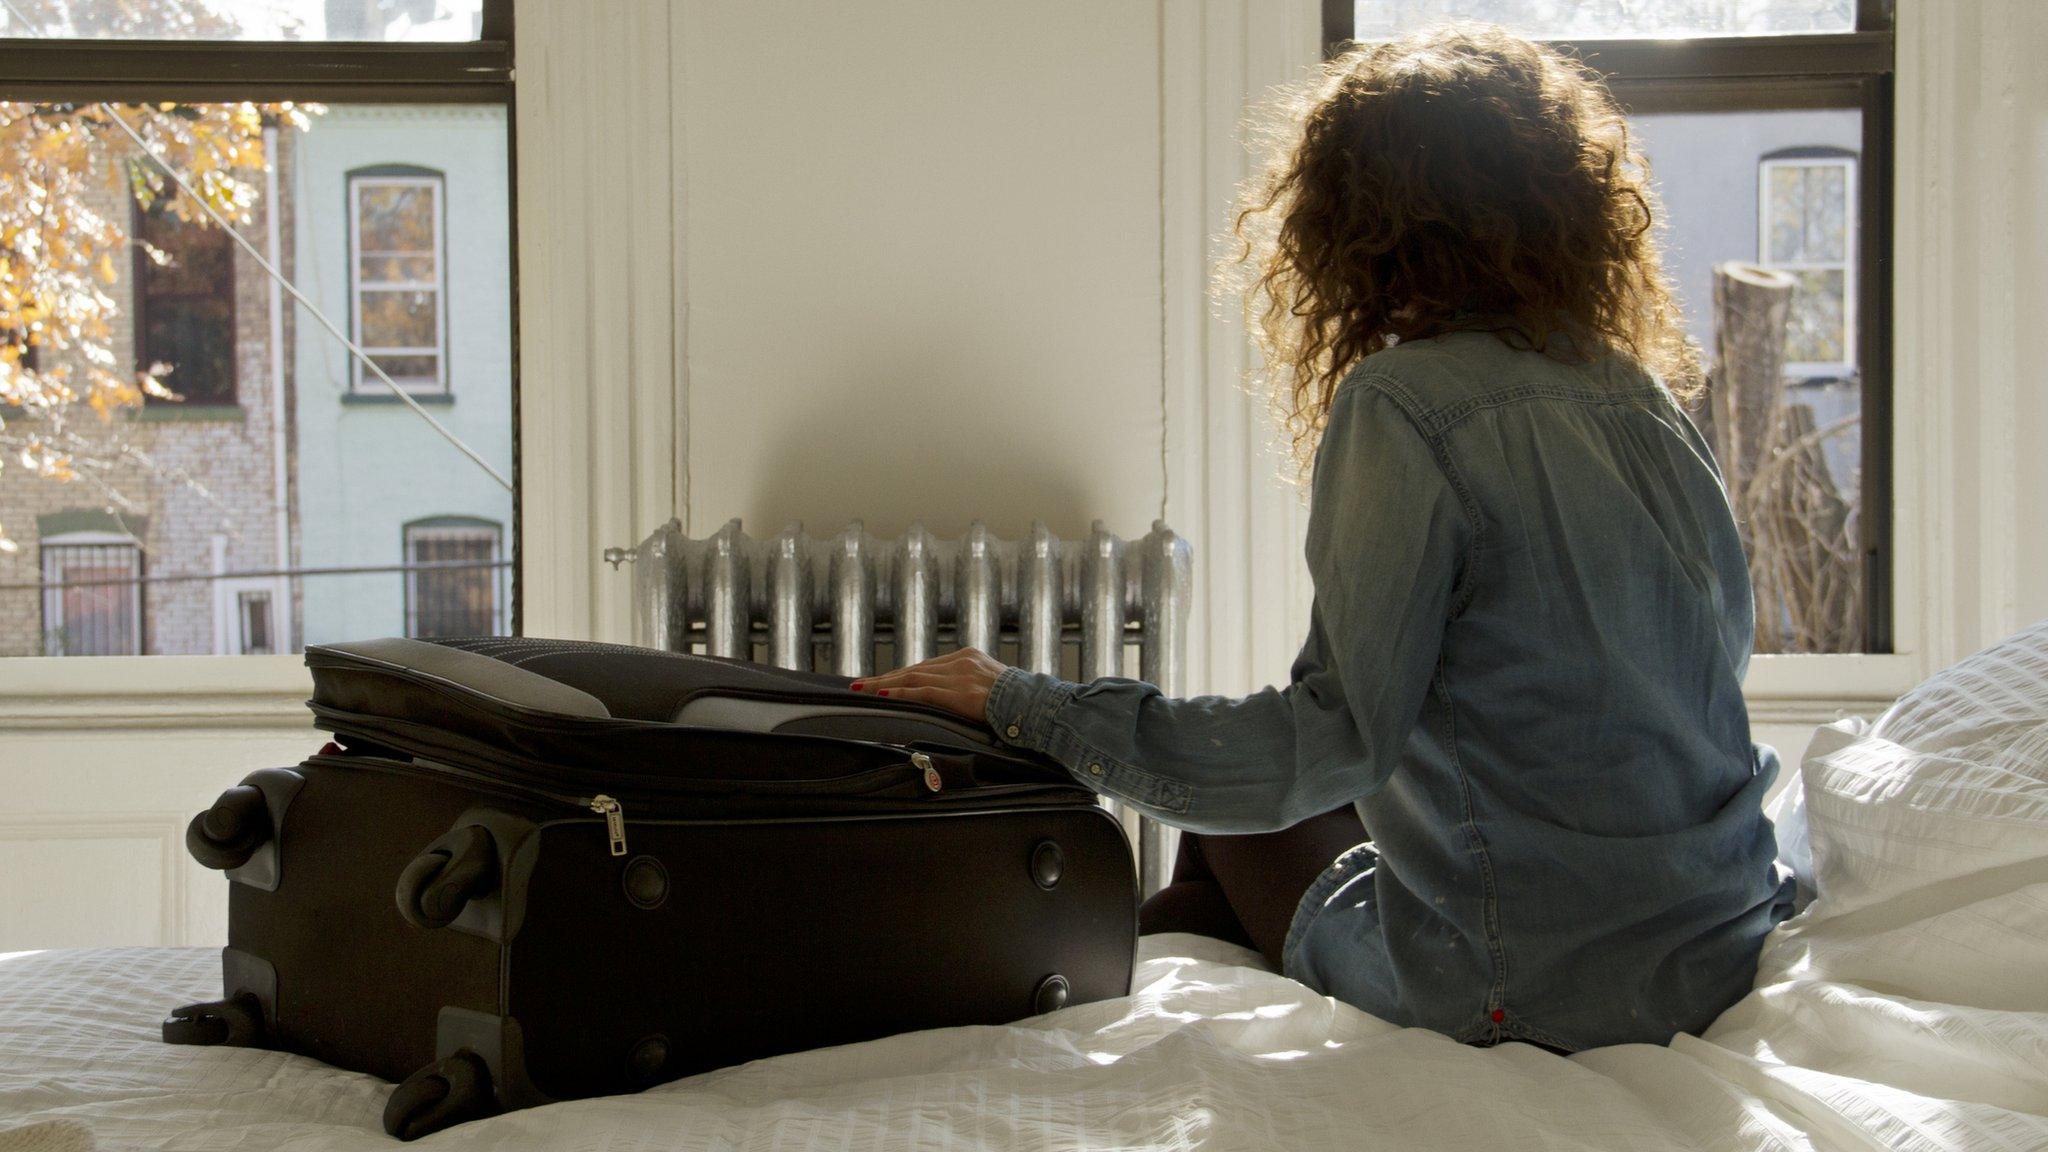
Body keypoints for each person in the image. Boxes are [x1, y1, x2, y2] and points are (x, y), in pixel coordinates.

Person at [850, 24, 1795, 1053]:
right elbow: (1706, 670)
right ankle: (1152, 989)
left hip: (1526, 985)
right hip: (1714, 943)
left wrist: (1020, 701)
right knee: (1261, 843)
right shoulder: (1640, 401)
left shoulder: (1405, 401)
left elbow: (1326, 745)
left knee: (1224, 822)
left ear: (1357, 224)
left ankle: (1096, 1011)